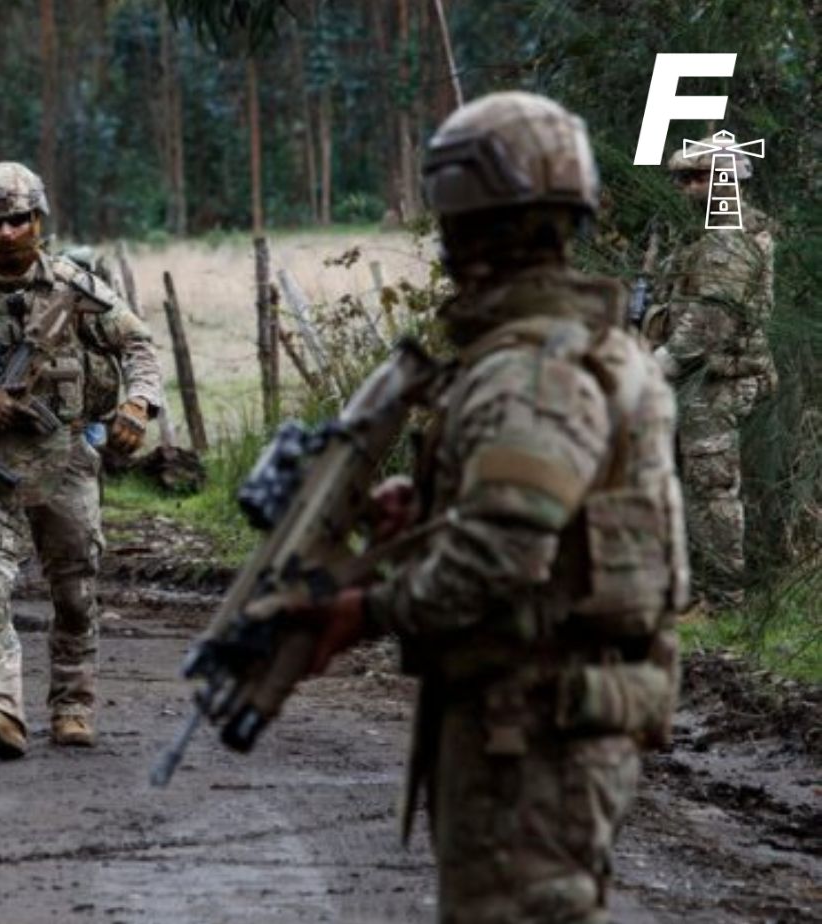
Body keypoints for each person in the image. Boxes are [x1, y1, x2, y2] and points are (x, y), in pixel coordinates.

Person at [294, 92, 687, 923]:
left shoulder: (529, 369)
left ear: (461, 224)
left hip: (528, 732)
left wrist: (366, 609)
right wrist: (434, 511)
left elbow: (501, 557)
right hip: (555, 719)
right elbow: (556, 520)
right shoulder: (600, 347)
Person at [0, 161, 163, 759]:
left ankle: (72, 702)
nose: (7, 233)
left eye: (19, 220)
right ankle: (2, 708)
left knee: (74, 592)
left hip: (65, 457)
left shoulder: (76, 286)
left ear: (38, 220)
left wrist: (138, 405)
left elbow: (137, 343)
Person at [647, 147, 777, 603]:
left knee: (713, 487)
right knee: (698, 483)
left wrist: (660, 363)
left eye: (698, 179)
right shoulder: (710, 233)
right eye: (682, 181)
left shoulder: (729, 236)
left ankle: (724, 595)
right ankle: (700, 586)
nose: (687, 189)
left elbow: (710, 321)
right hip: (701, 377)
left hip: (714, 380)